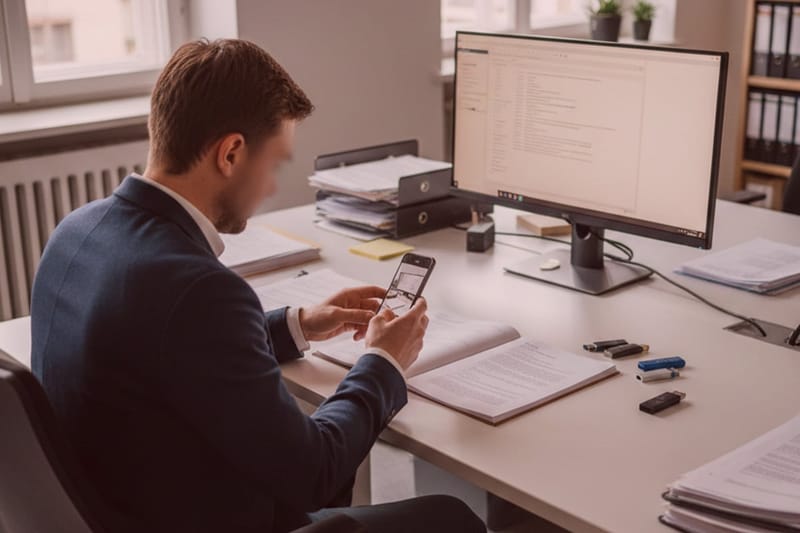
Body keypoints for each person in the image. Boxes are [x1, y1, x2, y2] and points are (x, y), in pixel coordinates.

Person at [30, 38, 485, 533]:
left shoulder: (74, 232)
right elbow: (314, 471)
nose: (270, 186)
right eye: (275, 163)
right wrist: (384, 361)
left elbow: (165, 347)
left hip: (122, 506)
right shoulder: (199, 291)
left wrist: (299, 325)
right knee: (450, 517)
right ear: (230, 153)